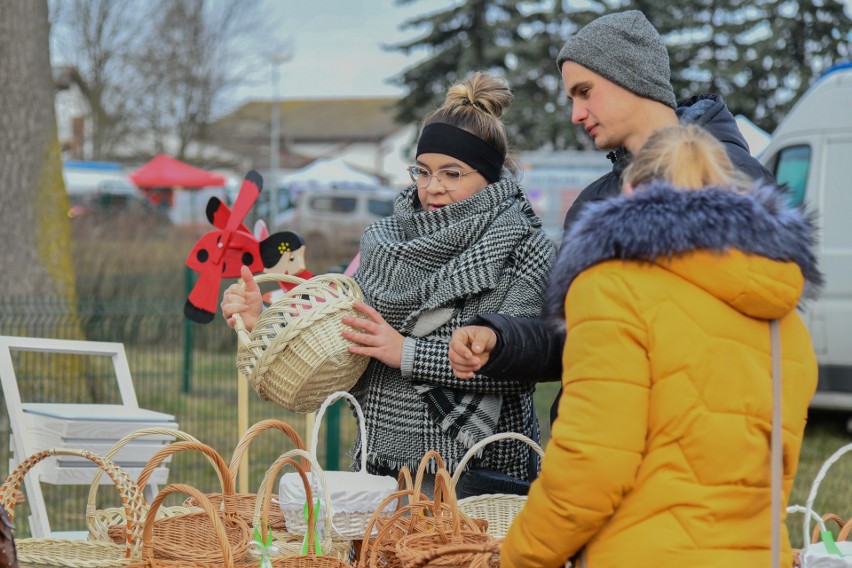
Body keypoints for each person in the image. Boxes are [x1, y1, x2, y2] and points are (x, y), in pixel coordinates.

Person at [499, 124, 820, 568]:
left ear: (631, 195)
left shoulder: (610, 289)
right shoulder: (784, 319)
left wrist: (521, 556)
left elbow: (590, 467)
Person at [221, 72, 555, 496]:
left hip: (475, 473)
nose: (432, 188)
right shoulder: (383, 241)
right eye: (423, 171)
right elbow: (340, 342)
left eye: (452, 174)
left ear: (488, 176)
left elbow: (521, 366)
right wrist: (264, 321)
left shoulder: (525, 246)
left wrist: (406, 353)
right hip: (380, 471)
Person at [448, 9, 775, 423]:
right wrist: (499, 340)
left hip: (688, 460)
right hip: (592, 455)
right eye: (571, 98)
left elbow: (755, 344)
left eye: (584, 92)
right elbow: (575, 336)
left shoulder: (732, 181)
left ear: (631, 76)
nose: (575, 114)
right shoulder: (592, 204)